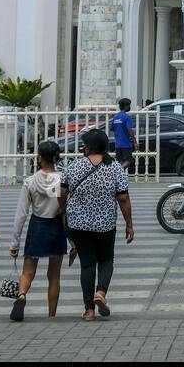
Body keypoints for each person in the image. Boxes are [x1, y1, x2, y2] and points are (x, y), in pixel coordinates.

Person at [59, 129, 134, 321]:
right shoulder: (115, 167)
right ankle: (100, 293)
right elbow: (123, 198)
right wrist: (129, 224)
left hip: (78, 224)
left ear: (90, 147)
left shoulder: (74, 166)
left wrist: (64, 211)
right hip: (105, 224)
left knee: (87, 264)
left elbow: (62, 193)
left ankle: (89, 311)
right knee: (106, 260)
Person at [8, 140, 67, 322]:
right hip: (56, 226)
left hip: (37, 226)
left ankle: (22, 295)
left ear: (38, 158)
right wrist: (73, 241)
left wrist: (14, 243)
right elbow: (67, 210)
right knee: (54, 275)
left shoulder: (30, 181)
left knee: (28, 271)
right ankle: (52, 314)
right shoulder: (62, 180)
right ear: (57, 158)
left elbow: (21, 214)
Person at [111, 98, 136, 174]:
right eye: (129, 105)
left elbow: (113, 128)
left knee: (120, 161)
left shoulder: (115, 117)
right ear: (125, 106)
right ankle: (118, 172)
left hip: (118, 144)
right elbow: (130, 130)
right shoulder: (127, 117)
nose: (129, 107)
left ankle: (119, 177)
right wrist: (135, 141)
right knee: (129, 160)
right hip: (126, 144)